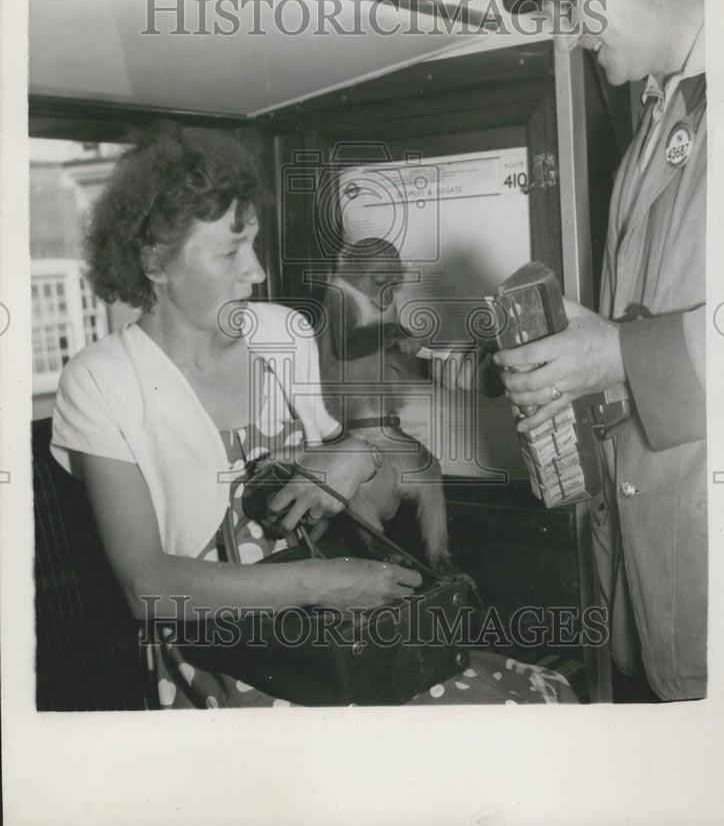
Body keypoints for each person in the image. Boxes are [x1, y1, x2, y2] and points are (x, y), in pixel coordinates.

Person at [51, 122, 576, 707]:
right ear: (155, 263)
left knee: (538, 701)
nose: (256, 271)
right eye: (229, 251)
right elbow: (146, 587)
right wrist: (321, 584)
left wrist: (363, 455)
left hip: (337, 635)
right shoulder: (101, 380)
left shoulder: (284, 332)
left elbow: (373, 506)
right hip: (225, 654)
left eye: (253, 245)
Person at [499, 0, 706, 700]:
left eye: (564, 3)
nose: (564, 36)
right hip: (653, 588)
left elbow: (635, 346)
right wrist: (576, 382)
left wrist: (616, 354)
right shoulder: (659, 119)